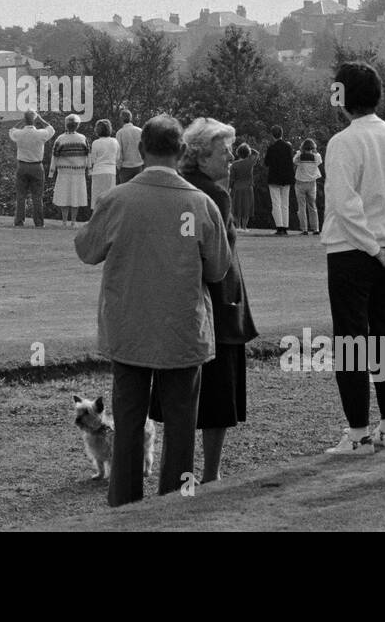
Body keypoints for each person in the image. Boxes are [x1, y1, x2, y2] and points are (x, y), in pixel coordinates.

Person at [74, 115, 230, 506]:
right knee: (180, 423)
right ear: (181, 152)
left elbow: (86, 250)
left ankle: (124, 502)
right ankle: (173, 501)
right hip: (182, 327)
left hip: (129, 327)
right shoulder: (200, 203)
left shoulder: (118, 199)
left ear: (141, 151)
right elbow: (218, 268)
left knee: (127, 420)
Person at [321, 61, 385, 455]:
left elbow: (345, 206)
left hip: (353, 252)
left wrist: (374, 249)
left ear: (342, 97)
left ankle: (358, 434)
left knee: (352, 342)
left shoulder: (343, 142)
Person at [150, 118, 257, 484]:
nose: (230, 157)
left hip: (177, 301)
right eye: (224, 151)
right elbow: (219, 256)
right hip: (218, 302)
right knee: (219, 395)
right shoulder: (215, 193)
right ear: (201, 154)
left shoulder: (175, 187)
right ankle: (211, 474)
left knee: (178, 394)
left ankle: (178, 472)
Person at [9, 110, 54, 227]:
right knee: (37, 196)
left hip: (22, 166)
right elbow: (51, 129)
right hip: (36, 166)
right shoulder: (41, 134)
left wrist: (21, 121)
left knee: (21, 196)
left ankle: (19, 221)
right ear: (35, 120)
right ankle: (38, 223)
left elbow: (11, 131)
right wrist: (40, 119)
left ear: (25, 120)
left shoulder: (19, 134)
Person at [49, 114, 90, 227]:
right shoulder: (83, 138)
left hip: (64, 172)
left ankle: (64, 221)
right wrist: (88, 169)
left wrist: (52, 172)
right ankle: (73, 221)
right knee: (75, 197)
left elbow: (54, 156)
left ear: (66, 125)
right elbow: (88, 155)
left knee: (64, 196)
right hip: (79, 172)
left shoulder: (60, 139)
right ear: (77, 125)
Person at [264, 125, 295, 235]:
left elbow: (266, 163)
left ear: (272, 135)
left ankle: (279, 226)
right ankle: (285, 226)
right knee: (285, 203)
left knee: (276, 203)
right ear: (282, 133)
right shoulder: (288, 147)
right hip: (286, 177)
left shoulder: (271, 148)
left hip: (274, 177)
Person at [88, 119, 120, 211]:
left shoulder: (96, 143)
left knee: (97, 198)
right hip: (111, 172)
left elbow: (93, 159)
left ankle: (96, 219)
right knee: (110, 198)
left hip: (98, 172)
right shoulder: (115, 141)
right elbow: (118, 157)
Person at [294, 138, 323, 235]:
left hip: (300, 183)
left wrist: (299, 152)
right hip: (312, 183)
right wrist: (314, 152)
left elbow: (294, 161)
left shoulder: (299, 156)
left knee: (301, 207)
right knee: (313, 206)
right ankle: (316, 229)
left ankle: (304, 229)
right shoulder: (316, 157)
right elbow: (320, 161)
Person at [228, 143, 255, 231]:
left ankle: (238, 226)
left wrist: (229, 188)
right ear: (248, 153)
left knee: (237, 208)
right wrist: (250, 150)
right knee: (246, 208)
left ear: (238, 153)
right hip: (248, 188)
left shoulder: (234, 165)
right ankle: (244, 227)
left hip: (237, 188)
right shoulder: (250, 163)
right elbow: (257, 154)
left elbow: (231, 179)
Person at [114, 109, 144, 184]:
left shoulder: (120, 133)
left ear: (121, 119)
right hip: (139, 166)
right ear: (131, 118)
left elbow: (119, 152)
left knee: (125, 193)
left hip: (125, 167)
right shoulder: (140, 131)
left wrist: (118, 167)